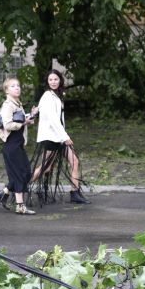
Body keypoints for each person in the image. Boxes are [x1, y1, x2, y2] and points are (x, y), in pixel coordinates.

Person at [28, 69, 90, 205]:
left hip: (59, 137)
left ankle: (75, 192)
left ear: (60, 80)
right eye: (50, 80)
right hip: (52, 138)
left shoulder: (57, 95)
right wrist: (65, 137)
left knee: (74, 162)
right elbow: (53, 120)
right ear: (47, 82)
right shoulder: (47, 96)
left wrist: (34, 114)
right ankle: (21, 187)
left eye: (55, 79)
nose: (53, 82)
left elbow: (40, 112)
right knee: (46, 167)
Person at [0, 77, 38, 215]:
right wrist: (24, 123)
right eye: (13, 86)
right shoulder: (8, 105)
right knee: (20, 174)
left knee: (26, 173)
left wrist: (32, 115)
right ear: (7, 90)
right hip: (11, 146)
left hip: (17, 145)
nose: (17, 88)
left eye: (18, 85)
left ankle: (5, 192)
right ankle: (20, 206)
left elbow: (19, 119)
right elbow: (7, 124)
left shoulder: (17, 104)